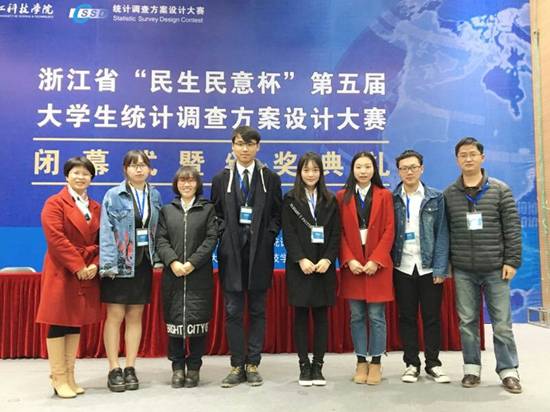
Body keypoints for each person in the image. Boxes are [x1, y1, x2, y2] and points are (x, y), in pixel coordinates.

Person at [444, 137, 522, 394]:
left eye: (472, 154)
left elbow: (512, 229)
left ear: (482, 158)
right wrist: (447, 265)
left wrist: (511, 261)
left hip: (495, 268)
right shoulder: (449, 194)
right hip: (463, 269)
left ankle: (508, 371)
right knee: (467, 322)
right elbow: (445, 233)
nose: (468, 159)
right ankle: (471, 368)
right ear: (457, 160)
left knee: (502, 324)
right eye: (463, 155)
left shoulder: (500, 190)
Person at [211, 125, 282, 388]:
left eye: (250, 144)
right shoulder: (221, 179)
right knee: (233, 311)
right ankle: (236, 364)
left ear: (258, 147)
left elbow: (277, 214)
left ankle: (253, 364)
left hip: (259, 254)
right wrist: (224, 235)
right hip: (231, 254)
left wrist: (268, 237)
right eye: (240, 144)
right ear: (233, 146)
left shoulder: (269, 178)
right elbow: (216, 213)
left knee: (257, 310)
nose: (245, 149)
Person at [36, 156, 102, 398]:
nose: (81, 177)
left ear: (91, 178)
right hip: (62, 270)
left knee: (75, 321)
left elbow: (104, 240)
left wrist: (94, 264)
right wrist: (78, 265)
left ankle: (70, 376)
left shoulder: (96, 207)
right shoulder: (55, 203)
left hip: (87, 271)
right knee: (58, 321)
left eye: (86, 174)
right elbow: (56, 239)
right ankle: (58, 377)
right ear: (67, 176)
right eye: (76, 173)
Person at [99, 150, 162, 392]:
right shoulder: (113, 195)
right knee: (115, 316)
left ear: (149, 169)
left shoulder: (154, 195)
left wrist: (158, 259)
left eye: (143, 165)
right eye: (133, 165)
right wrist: (108, 265)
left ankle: (130, 366)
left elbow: (158, 229)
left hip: (143, 263)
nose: (139, 169)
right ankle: (114, 368)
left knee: (136, 315)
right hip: (119, 264)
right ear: (125, 169)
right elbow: (106, 231)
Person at [282, 152, 341, 387]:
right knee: (300, 317)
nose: (311, 174)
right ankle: (304, 365)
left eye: (315, 170)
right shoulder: (290, 199)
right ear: (299, 173)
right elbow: (288, 233)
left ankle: (318, 366)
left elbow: (336, 233)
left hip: (323, 267)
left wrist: (328, 259)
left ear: (321, 173)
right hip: (300, 268)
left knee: (321, 318)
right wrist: (301, 259)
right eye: (306, 170)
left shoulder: (330, 200)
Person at [156, 166, 218, 388]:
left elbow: (211, 238)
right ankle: (177, 368)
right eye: (182, 180)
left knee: (198, 324)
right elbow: (160, 239)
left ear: (197, 184)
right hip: (173, 276)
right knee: (174, 324)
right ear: (176, 184)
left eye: (191, 180)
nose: (187, 184)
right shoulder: (167, 210)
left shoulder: (207, 209)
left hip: (198, 275)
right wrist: (173, 261)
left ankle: (193, 368)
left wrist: (192, 263)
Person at [391, 149, 450, 384]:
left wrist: (440, 267)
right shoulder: (391, 198)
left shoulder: (436, 197)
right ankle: (411, 364)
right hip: (402, 266)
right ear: (398, 171)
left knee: (431, 317)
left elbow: (442, 234)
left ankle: (433, 363)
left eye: (413, 167)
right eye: (404, 168)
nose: (409, 172)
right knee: (406, 317)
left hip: (428, 267)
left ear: (422, 169)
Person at [336, 151, 394, 385]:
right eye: (358, 167)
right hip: (354, 267)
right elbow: (338, 232)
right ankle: (361, 361)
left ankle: (376, 362)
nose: (363, 171)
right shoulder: (342, 196)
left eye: (367, 166)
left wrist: (376, 260)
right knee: (357, 316)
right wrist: (349, 259)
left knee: (377, 316)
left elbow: (390, 229)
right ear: (352, 170)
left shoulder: (384, 195)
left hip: (376, 266)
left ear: (374, 170)